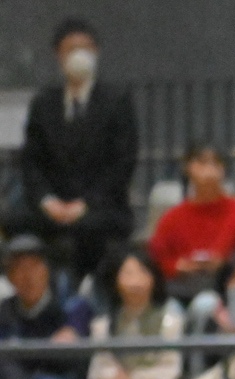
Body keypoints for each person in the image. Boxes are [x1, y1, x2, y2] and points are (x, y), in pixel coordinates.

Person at [7, 18, 137, 287]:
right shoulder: (44, 103)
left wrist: (84, 204)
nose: (79, 55)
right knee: (13, 221)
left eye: (86, 48)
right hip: (52, 205)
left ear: (96, 52)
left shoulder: (117, 101)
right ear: (58, 55)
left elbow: (122, 164)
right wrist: (47, 201)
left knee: (89, 228)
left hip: (102, 207)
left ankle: (86, 291)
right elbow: (31, 162)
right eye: (71, 49)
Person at [148, 141, 235, 301]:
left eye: (216, 163)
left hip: (226, 286)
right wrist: (179, 266)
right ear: (188, 168)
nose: (209, 169)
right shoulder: (172, 217)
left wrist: (225, 262)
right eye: (202, 162)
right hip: (182, 289)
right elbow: (157, 258)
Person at [0, 234, 93, 379]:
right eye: (19, 269)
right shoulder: (5, 311)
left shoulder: (71, 306)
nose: (28, 277)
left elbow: (66, 351)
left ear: (47, 271)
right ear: (10, 278)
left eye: (34, 267)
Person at [85, 243, 184, 379]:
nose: (135, 281)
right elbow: (96, 370)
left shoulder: (171, 319)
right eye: (128, 273)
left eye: (142, 272)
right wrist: (113, 378)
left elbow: (170, 372)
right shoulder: (103, 323)